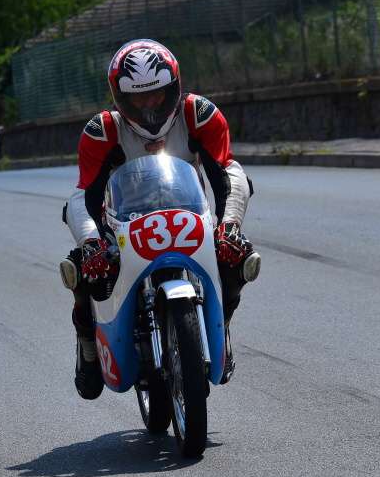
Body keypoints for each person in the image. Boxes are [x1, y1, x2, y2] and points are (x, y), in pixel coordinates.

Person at [62, 39, 258, 400]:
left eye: (156, 95)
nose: (149, 106)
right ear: (120, 98)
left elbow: (228, 172)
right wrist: (90, 242)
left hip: (190, 216)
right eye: (138, 99)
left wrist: (229, 225)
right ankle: (88, 346)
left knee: (236, 256)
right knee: (82, 268)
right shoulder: (102, 130)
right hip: (122, 225)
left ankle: (222, 327)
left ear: (174, 87)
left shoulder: (199, 114)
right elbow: (82, 194)